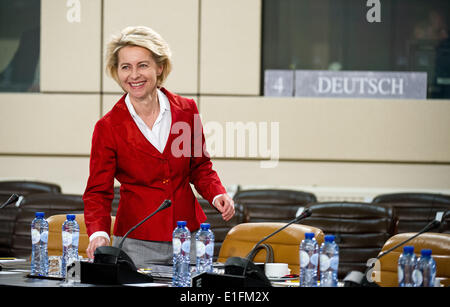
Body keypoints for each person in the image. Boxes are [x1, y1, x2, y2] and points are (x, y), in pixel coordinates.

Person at [83, 26, 235, 267]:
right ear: (116, 72)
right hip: (136, 240)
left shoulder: (186, 110)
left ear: (159, 67)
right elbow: (97, 191)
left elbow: (200, 166)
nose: (134, 75)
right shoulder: (108, 127)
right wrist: (98, 233)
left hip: (188, 236)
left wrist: (217, 192)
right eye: (126, 67)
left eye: (143, 65)